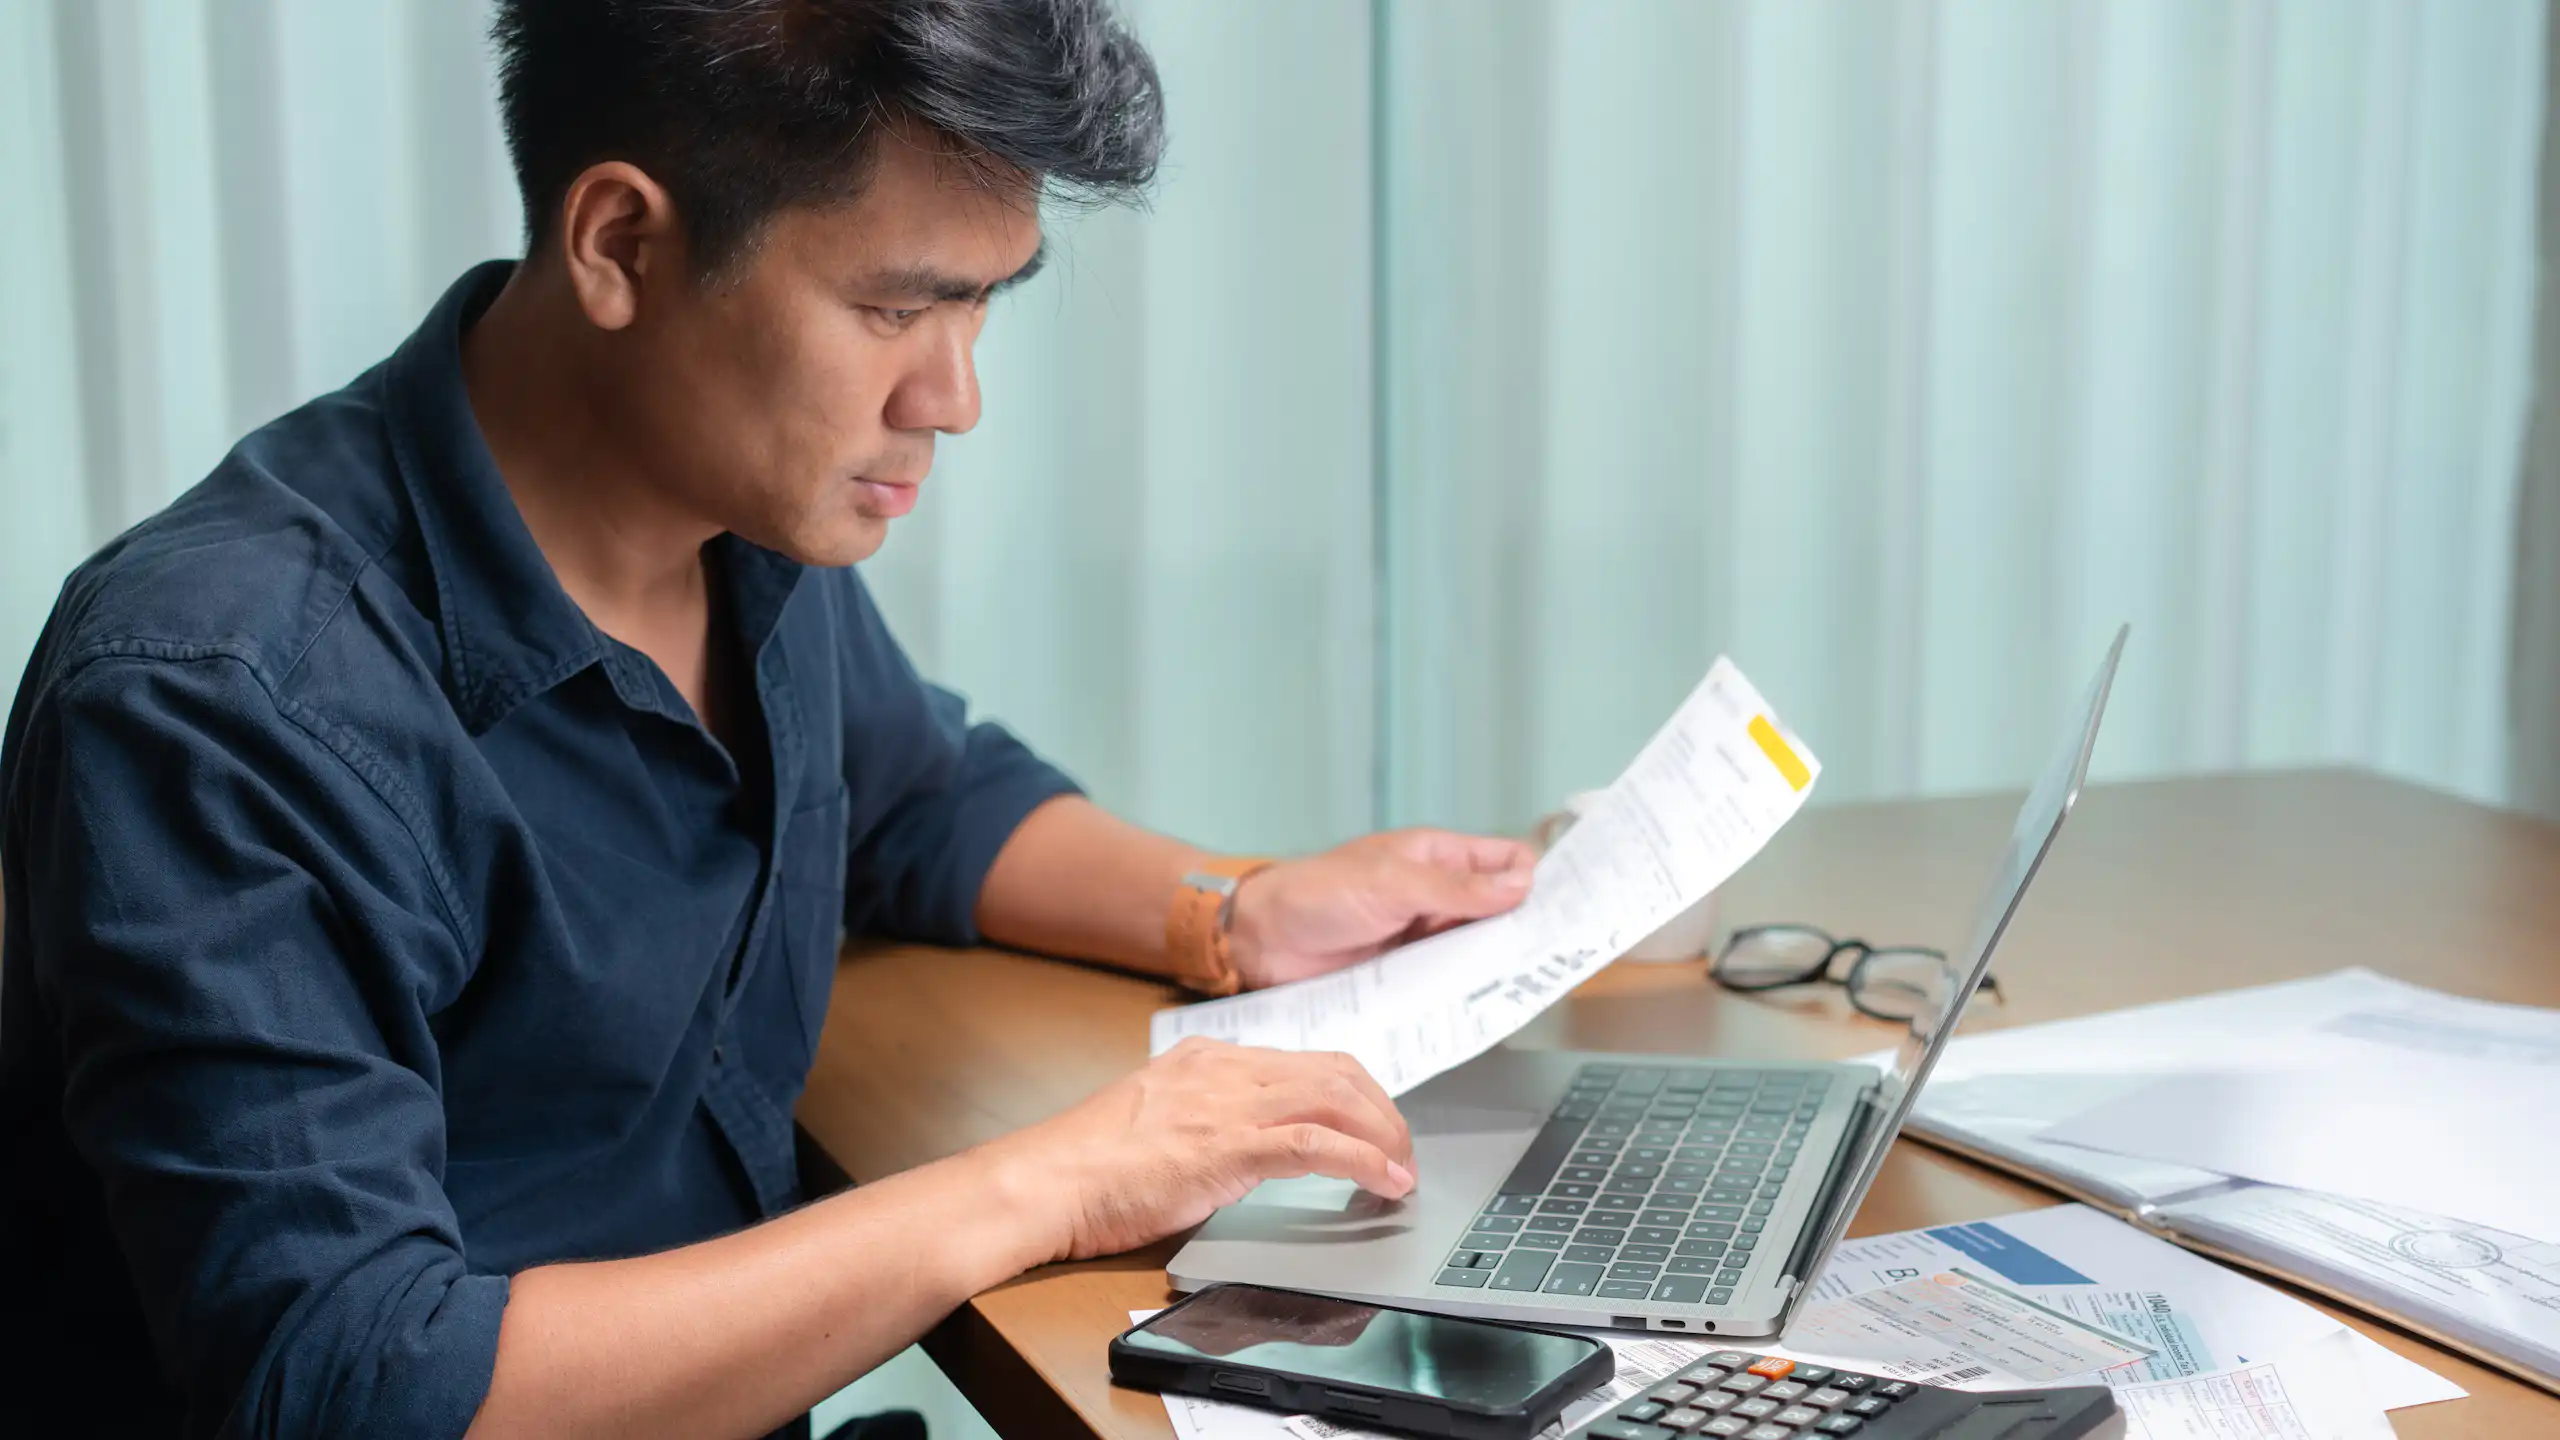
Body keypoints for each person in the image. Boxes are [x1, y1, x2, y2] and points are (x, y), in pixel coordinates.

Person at [0, 2, 1541, 1437]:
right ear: (620, 244)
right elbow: (356, 1380)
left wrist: (1238, 911)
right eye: (894, 308)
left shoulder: (738, 512)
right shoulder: (217, 698)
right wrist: (1054, 1183)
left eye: (981, 305)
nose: (951, 399)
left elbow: (917, 800)